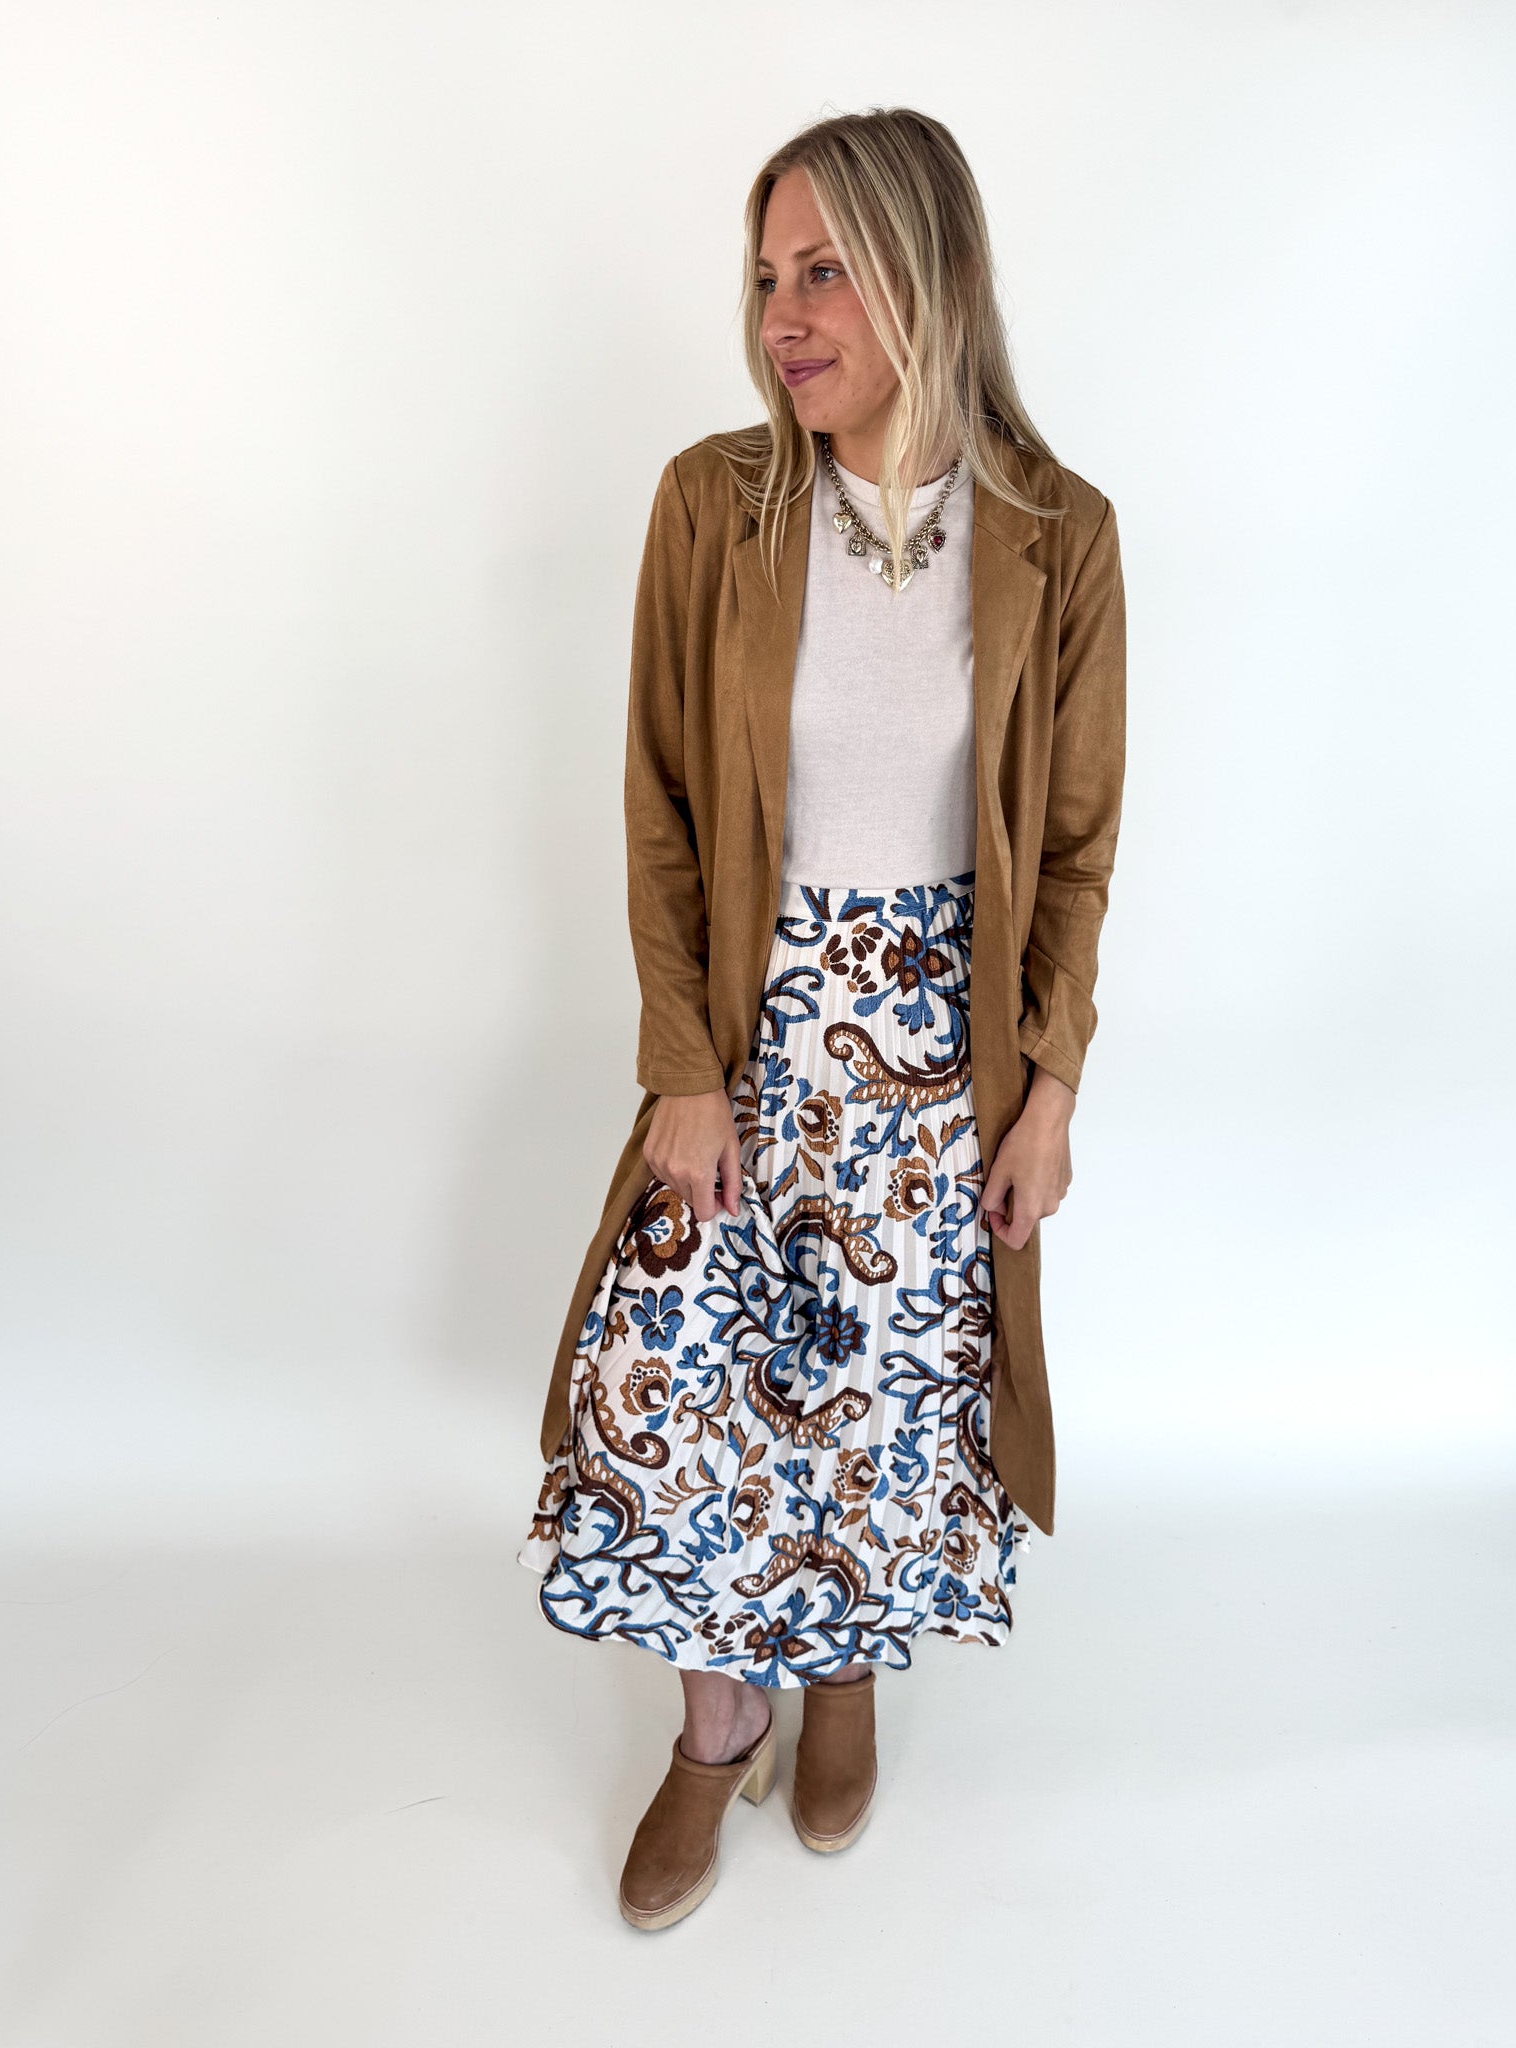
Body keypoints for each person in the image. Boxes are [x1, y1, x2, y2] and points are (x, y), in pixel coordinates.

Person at [517, 105, 1127, 1931]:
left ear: (933, 274)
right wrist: (683, 1070)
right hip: (749, 1036)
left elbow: (1077, 846)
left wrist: (1051, 1091)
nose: (781, 315)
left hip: (941, 1056)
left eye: (826, 271)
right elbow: (661, 810)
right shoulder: (717, 503)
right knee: (677, 1388)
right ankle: (719, 1732)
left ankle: (840, 1673)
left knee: (877, 1394)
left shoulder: (1059, 535)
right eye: (768, 275)